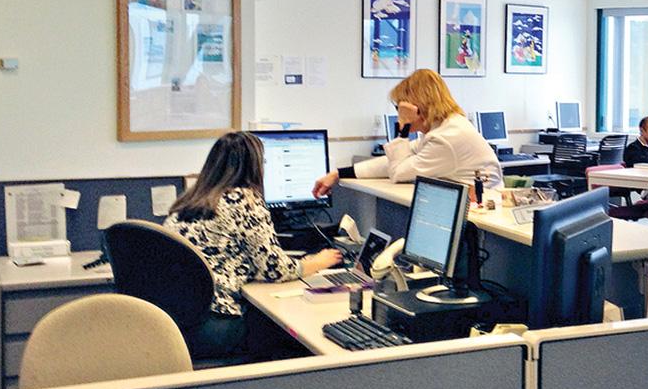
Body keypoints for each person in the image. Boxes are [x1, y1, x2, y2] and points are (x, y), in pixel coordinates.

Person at [166, 132, 343, 361]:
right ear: (255, 166)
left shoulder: (188, 201)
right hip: (216, 325)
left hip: (177, 322)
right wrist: (319, 261)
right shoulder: (244, 200)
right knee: (297, 333)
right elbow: (275, 269)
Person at [312, 69, 502, 197]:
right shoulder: (442, 129)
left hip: (485, 217)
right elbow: (394, 161)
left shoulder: (446, 138)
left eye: (400, 107)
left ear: (417, 106)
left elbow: (399, 172)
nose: (398, 113)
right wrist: (339, 174)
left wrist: (403, 127)